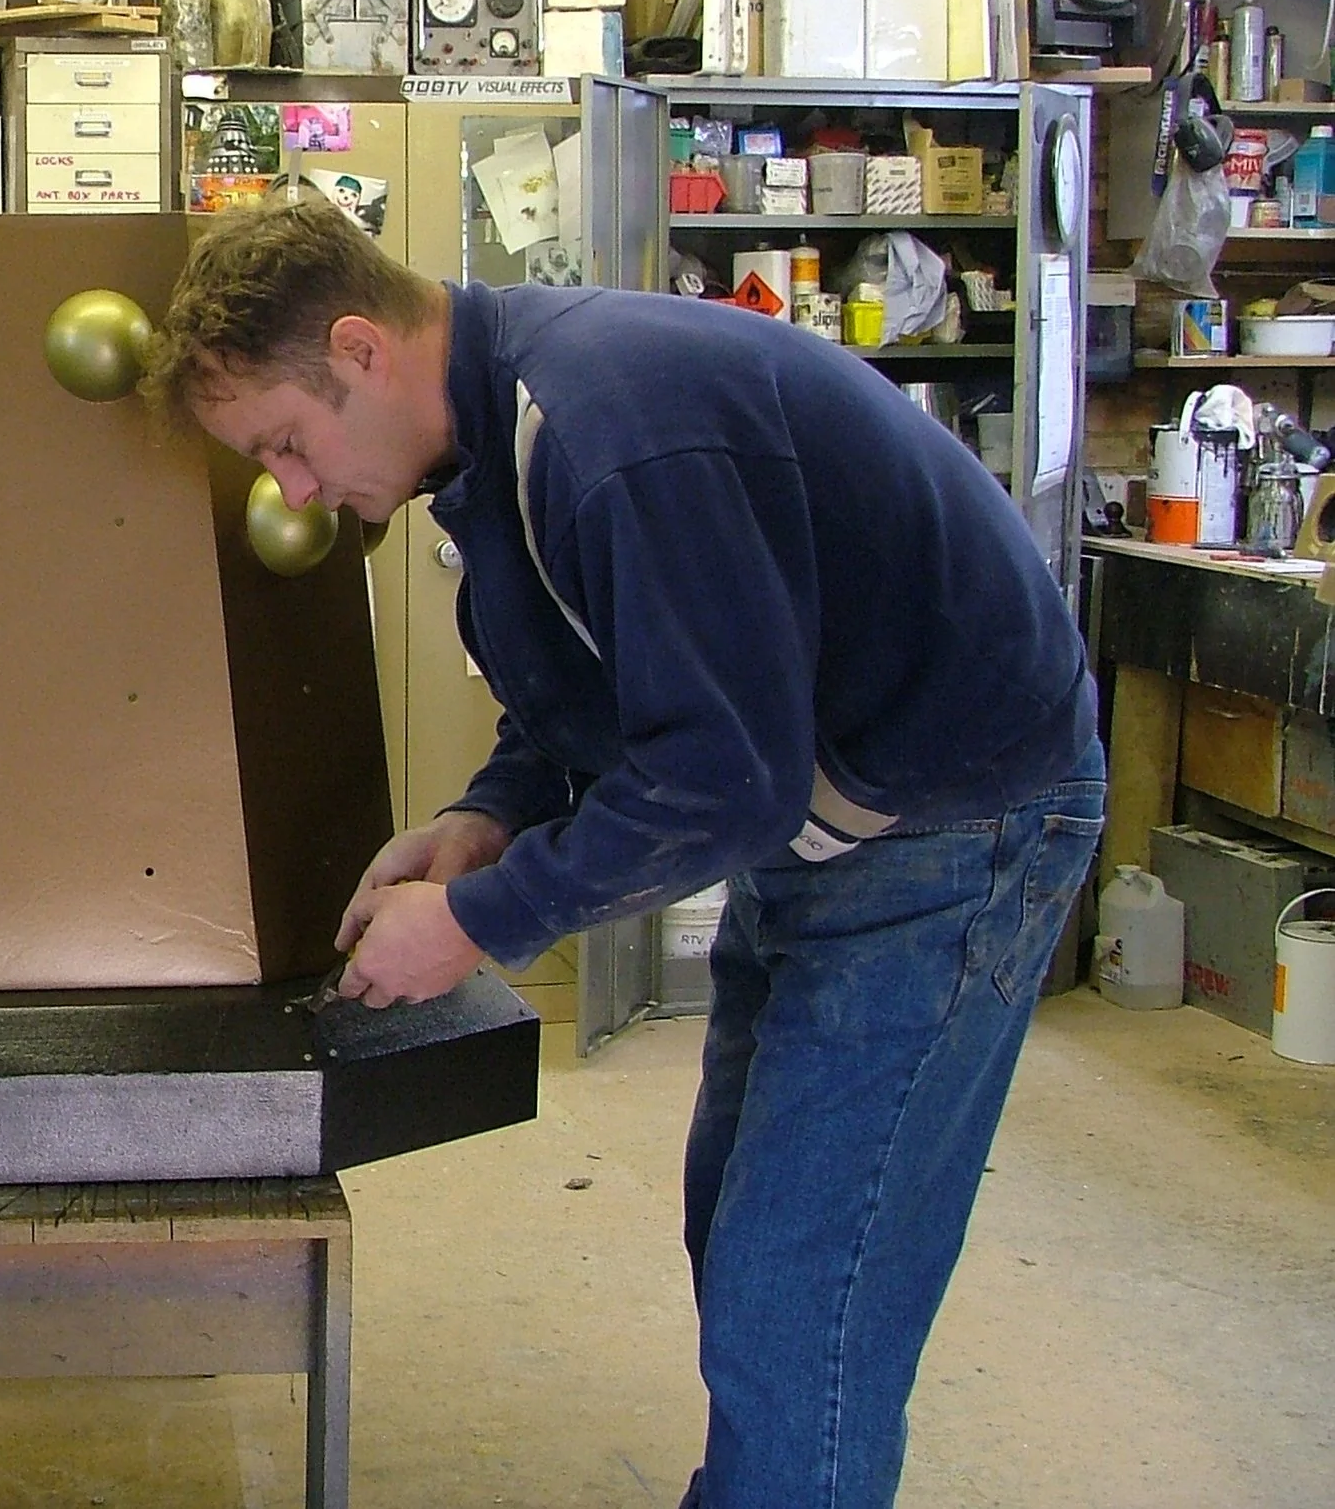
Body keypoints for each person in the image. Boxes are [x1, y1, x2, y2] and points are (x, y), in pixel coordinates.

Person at [143, 194, 1103, 1509]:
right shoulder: (490, 445)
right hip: (836, 805)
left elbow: (726, 779)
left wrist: (487, 919)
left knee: (802, 1283)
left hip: (954, 810)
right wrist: (487, 818)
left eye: (287, 445)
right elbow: (604, 684)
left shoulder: (606, 427)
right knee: (742, 1218)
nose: (294, 493)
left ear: (362, 349)